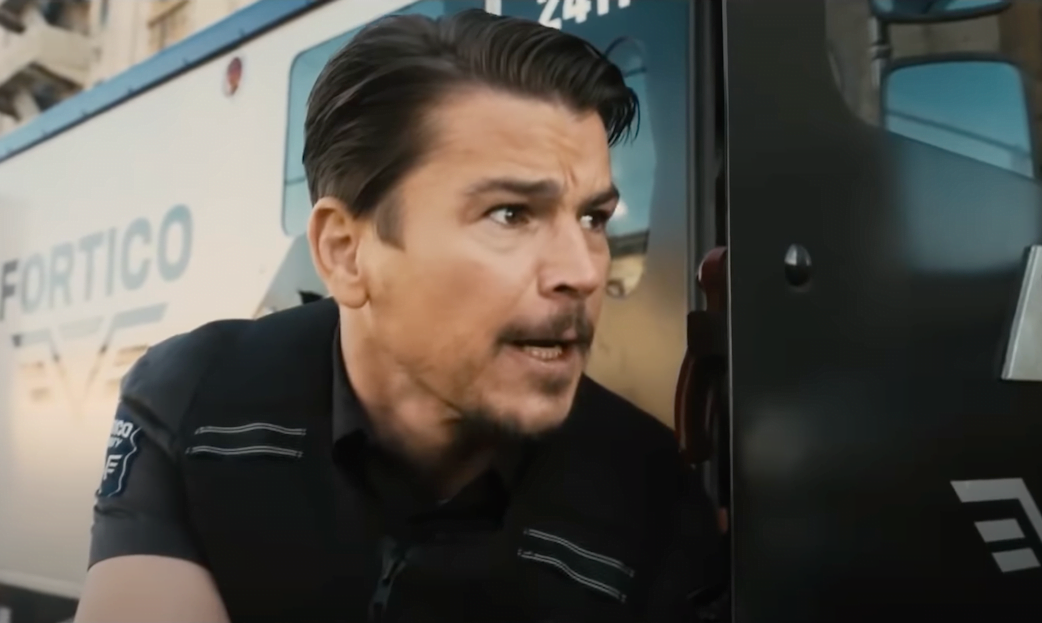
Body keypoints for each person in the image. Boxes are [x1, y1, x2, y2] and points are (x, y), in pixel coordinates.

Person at [72, 10, 726, 623]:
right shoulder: (201, 397)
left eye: (593, 218)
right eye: (510, 214)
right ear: (346, 252)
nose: (582, 271)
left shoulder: (649, 494)